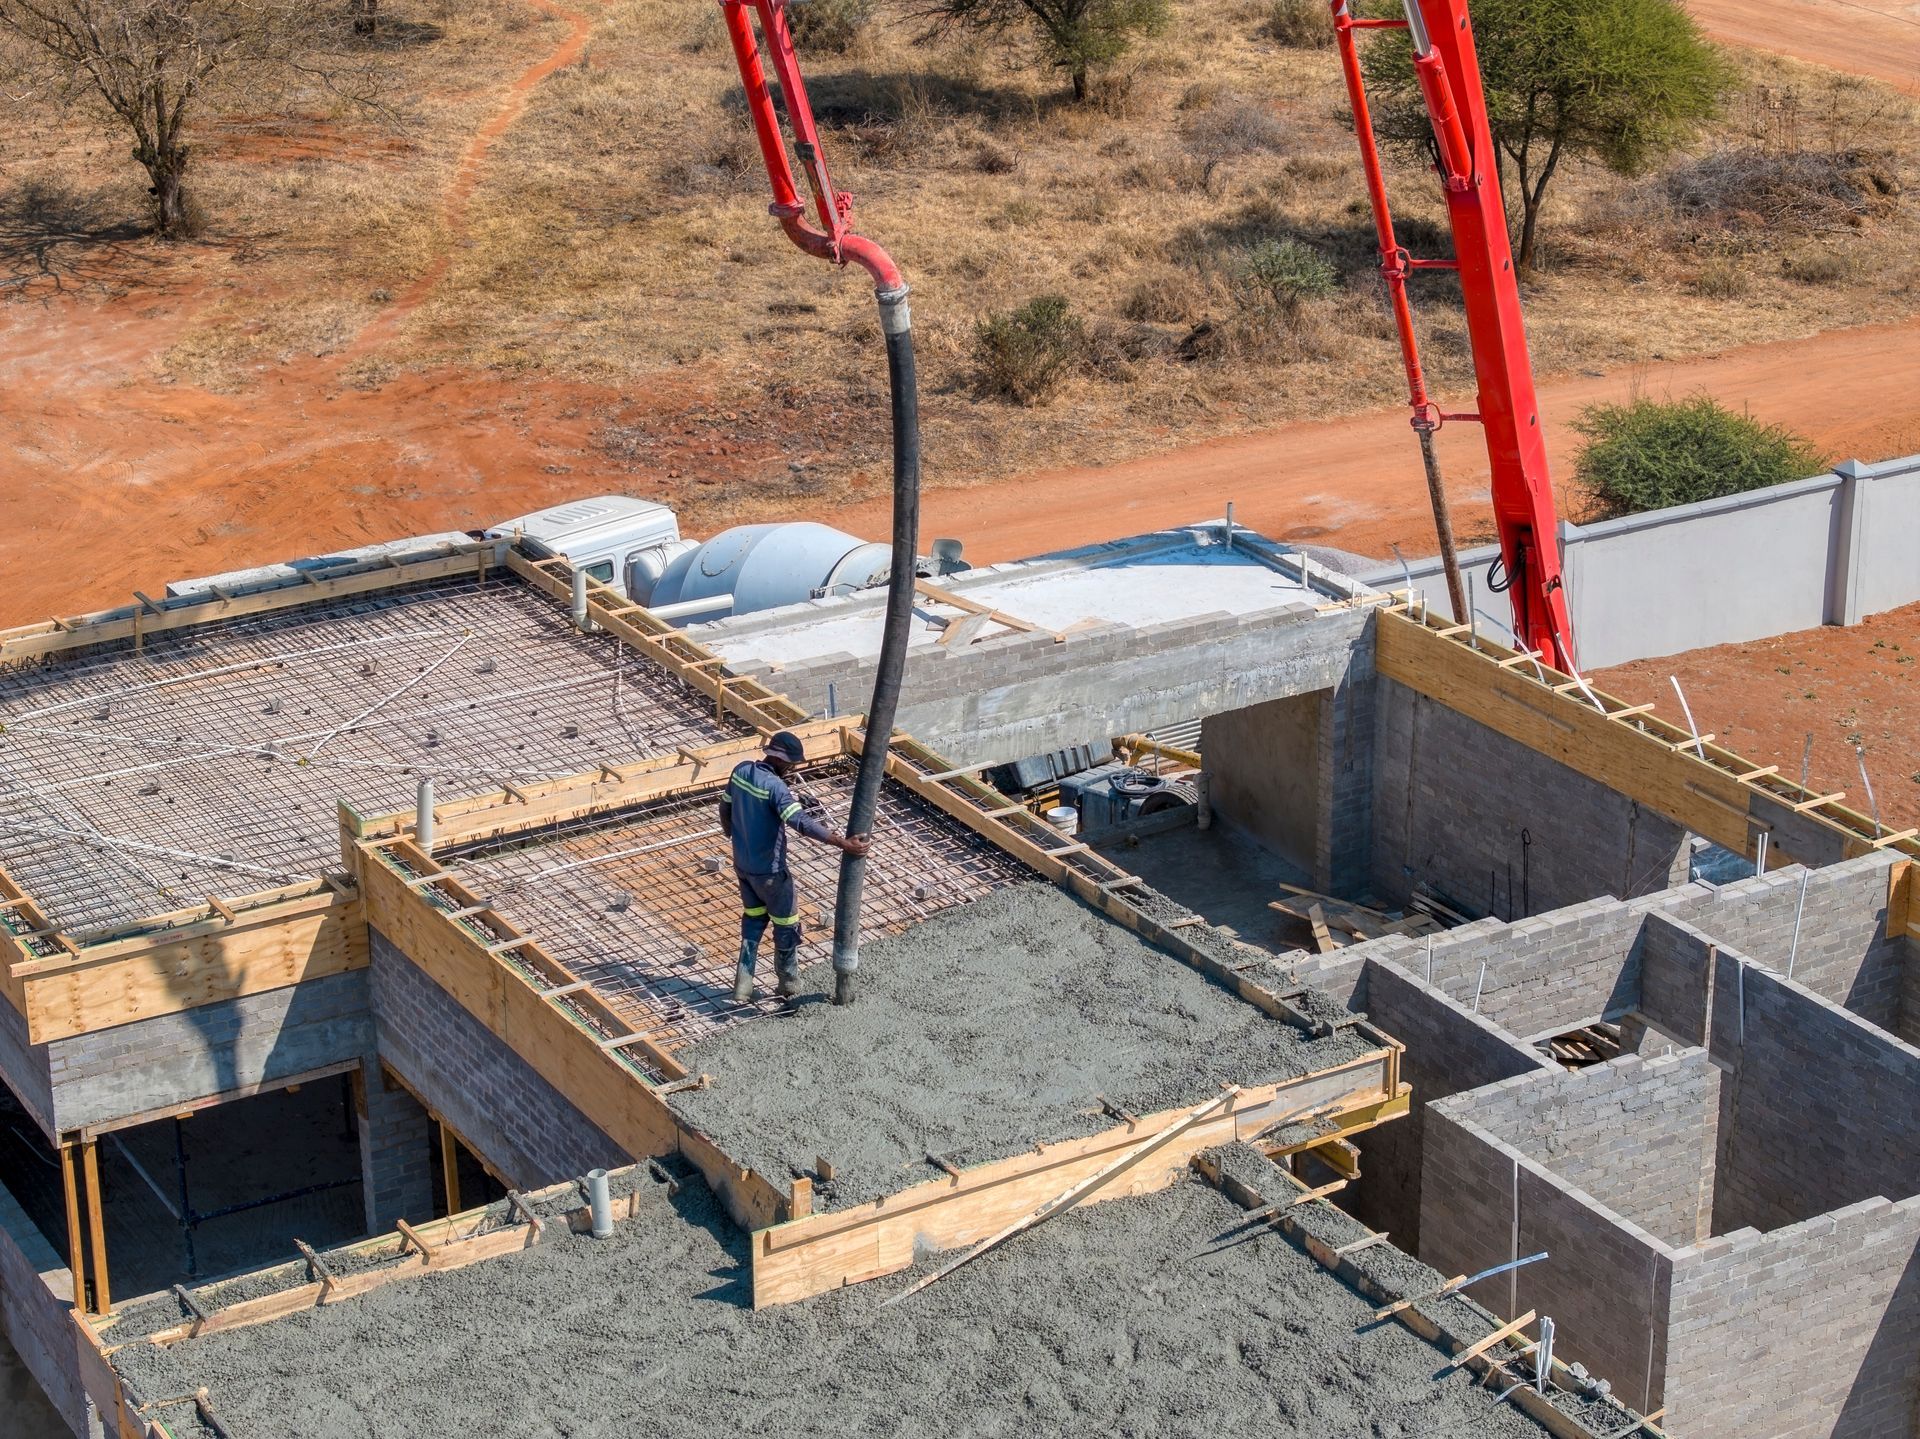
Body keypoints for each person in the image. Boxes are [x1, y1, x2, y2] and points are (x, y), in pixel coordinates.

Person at [718, 730, 869, 1002]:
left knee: (753, 920)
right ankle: (788, 984)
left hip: (743, 867)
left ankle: (743, 985)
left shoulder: (740, 772)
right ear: (782, 761)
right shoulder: (776, 788)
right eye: (791, 764)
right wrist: (841, 843)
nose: (791, 769)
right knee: (786, 924)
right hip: (771, 873)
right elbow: (800, 822)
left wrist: (732, 834)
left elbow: (725, 806)